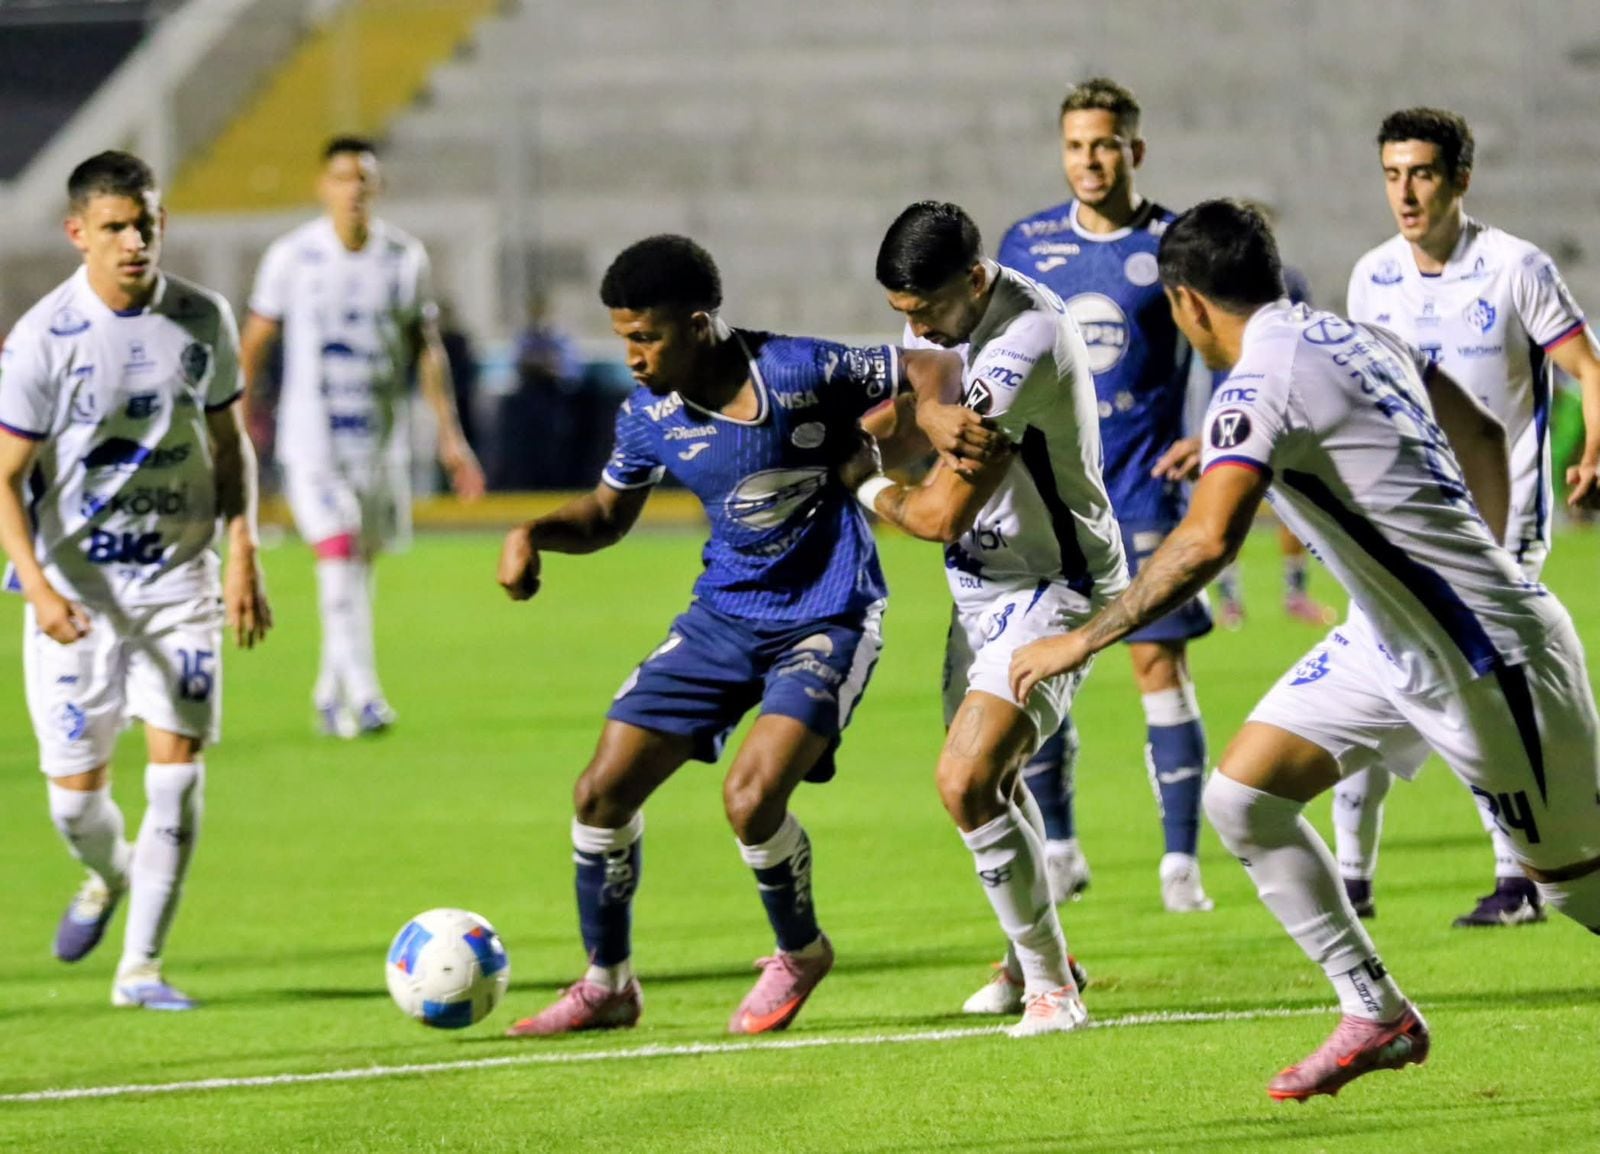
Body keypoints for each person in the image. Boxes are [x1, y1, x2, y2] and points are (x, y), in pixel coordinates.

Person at [1009, 199, 1600, 1099]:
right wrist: (1462, 560)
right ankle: (1377, 1013)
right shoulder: (1353, 335)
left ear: (1186, 303)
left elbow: (1207, 542)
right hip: (1389, 642)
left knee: (1576, 892)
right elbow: (1479, 430)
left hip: (1487, 660)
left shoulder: (1257, 384)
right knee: (1245, 800)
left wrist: (1080, 641)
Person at [495, 234, 972, 1037]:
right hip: (723, 617)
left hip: (829, 615)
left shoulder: (796, 368)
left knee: (750, 799)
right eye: (624, 340)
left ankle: (801, 951)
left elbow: (934, 369)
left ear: (700, 324)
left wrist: (915, 428)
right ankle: (609, 984)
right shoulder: (647, 416)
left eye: (646, 337)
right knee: (599, 794)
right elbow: (608, 517)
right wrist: (534, 533)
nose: (634, 357)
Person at [847, 201, 1127, 1034]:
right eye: (904, 317)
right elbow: (918, 384)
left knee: (964, 780)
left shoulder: (1025, 341)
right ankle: (1031, 962)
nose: (919, 329)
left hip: (1055, 581)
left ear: (974, 280)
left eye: (928, 312)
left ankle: (1052, 992)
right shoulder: (947, 311)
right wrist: (928, 410)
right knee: (994, 783)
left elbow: (937, 515)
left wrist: (858, 477)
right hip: (982, 590)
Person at [0, 150, 272, 1009]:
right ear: (77, 233)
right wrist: (38, 588)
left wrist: (243, 550)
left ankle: (142, 967)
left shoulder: (203, 318)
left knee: (177, 772)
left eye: (144, 222)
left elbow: (231, 447)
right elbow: (3, 475)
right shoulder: (44, 338)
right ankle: (110, 875)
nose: (132, 241)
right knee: (75, 805)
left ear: (163, 224)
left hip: (178, 583)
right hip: (77, 595)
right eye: (113, 226)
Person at [1336, 107, 1600, 925]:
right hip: (1400, 518)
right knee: (1374, 665)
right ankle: (1352, 878)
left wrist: (1591, 453)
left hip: (1503, 521)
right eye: (1392, 175)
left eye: (1420, 173)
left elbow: (1587, 368)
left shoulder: (1515, 267)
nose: (1405, 193)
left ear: (1459, 179)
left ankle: (1516, 879)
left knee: (1484, 684)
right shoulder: (1370, 276)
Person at [994, 78, 1213, 913]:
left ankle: (1180, 864)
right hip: (1052, 496)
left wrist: (1217, 429)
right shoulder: (1030, 242)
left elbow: (1231, 344)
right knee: (1035, 667)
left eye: (1106, 144)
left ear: (1135, 151)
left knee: (1156, 661)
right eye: (1077, 146)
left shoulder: (1176, 241)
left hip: (1146, 488)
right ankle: (1059, 848)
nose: (1091, 160)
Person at [239, 136, 483, 738]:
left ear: (377, 190)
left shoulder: (404, 258)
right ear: (322, 186)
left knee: (357, 568)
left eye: (363, 180)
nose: (353, 190)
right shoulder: (293, 257)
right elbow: (255, 342)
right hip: (311, 442)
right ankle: (368, 695)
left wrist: (450, 436)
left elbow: (425, 350)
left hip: (378, 440)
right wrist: (238, 420)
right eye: (342, 178)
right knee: (339, 548)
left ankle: (329, 691)